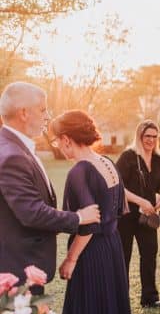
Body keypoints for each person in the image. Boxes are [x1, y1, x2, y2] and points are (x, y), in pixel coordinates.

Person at [52, 110, 140, 314]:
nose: (58, 146)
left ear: (67, 138)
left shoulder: (80, 170)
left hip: (91, 253)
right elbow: (118, 207)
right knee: (111, 311)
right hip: (112, 249)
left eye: (57, 141)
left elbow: (89, 225)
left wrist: (70, 259)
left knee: (87, 313)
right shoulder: (107, 162)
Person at [0, 82, 100, 292]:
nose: (47, 117)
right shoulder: (12, 156)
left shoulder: (14, 147)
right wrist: (79, 217)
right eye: (43, 110)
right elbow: (32, 213)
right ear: (24, 113)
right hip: (18, 272)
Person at [116, 120, 160, 308]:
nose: (151, 140)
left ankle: (150, 298)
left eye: (155, 137)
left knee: (150, 253)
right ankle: (120, 299)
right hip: (126, 216)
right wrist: (140, 201)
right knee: (123, 256)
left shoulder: (159, 157)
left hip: (148, 216)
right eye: (148, 136)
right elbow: (118, 187)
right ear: (140, 136)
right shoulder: (128, 157)